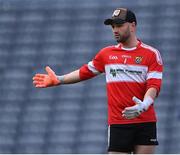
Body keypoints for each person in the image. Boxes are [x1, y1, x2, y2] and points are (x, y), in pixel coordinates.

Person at [32, 8, 163, 154]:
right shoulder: (106, 54)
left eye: (119, 25)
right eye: (113, 26)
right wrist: (60, 79)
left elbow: (154, 86)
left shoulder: (151, 54)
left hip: (145, 122)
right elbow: (84, 72)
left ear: (132, 26)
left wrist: (143, 105)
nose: (115, 30)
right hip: (118, 123)